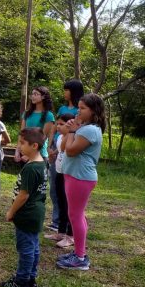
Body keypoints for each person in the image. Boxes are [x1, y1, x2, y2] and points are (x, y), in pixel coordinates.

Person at [56, 94, 106, 271]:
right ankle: (79, 252)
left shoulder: (89, 130)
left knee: (75, 216)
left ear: (94, 111)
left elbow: (70, 152)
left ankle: (80, 258)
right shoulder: (83, 128)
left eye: (83, 108)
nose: (78, 110)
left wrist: (70, 131)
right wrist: (71, 131)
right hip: (76, 176)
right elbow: (63, 147)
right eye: (78, 107)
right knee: (78, 215)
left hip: (81, 178)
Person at [0, 128, 48, 287]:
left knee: (26, 249)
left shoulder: (30, 168)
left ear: (34, 145)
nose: (19, 146)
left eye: (22, 143)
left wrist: (11, 212)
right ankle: (30, 278)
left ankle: (21, 281)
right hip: (36, 212)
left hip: (27, 214)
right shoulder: (41, 163)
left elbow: (23, 195)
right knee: (33, 247)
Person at [47, 79, 84, 231]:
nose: (64, 93)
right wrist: (50, 146)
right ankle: (57, 220)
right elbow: (55, 128)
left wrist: (58, 150)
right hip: (56, 146)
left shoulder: (78, 112)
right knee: (54, 187)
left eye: (66, 90)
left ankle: (66, 224)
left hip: (66, 149)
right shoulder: (62, 108)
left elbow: (75, 132)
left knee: (64, 190)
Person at [44, 113, 75, 248]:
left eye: (62, 124)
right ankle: (61, 232)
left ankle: (70, 235)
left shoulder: (72, 137)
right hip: (59, 172)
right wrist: (53, 155)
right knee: (61, 203)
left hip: (69, 174)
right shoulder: (61, 136)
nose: (58, 126)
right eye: (57, 124)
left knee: (69, 206)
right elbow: (59, 151)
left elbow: (66, 149)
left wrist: (70, 132)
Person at [15, 86, 55, 162]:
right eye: (32, 94)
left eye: (36, 94)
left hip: (39, 155)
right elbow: (21, 133)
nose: (33, 96)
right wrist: (17, 150)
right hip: (24, 152)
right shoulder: (26, 113)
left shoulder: (49, 115)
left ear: (43, 97)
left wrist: (30, 155)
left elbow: (43, 137)